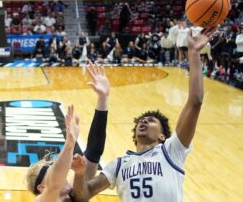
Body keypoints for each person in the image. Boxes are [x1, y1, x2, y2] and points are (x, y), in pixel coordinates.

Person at [73, 28, 218, 202]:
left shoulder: (172, 151)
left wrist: (193, 53)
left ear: (163, 136)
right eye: (142, 121)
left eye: (150, 121)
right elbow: (83, 195)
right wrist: (80, 174)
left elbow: (195, 102)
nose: (143, 121)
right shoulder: (119, 165)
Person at [26, 61, 110, 201]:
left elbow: (94, 152)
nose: (61, 171)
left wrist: (103, 99)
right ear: (41, 188)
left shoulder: (73, 191)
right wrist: (70, 143)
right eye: (51, 169)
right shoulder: (42, 199)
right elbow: (54, 185)